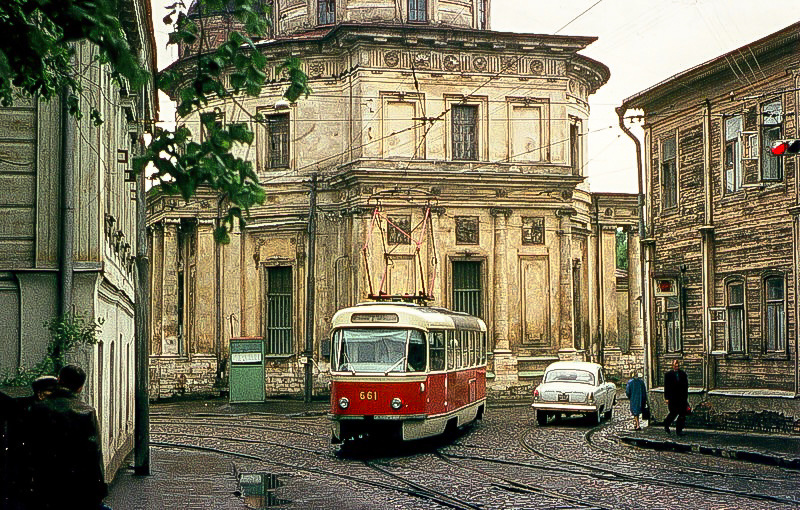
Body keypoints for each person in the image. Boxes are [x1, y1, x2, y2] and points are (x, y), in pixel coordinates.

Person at [25, 364, 108, 510]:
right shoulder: (87, 412)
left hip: (46, 482)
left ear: (58, 380)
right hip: (77, 485)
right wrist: (99, 488)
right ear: (80, 388)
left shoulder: (38, 409)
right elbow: (94, 454)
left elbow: (30, 448)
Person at [663, 358, 689, 436]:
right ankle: (666, 424)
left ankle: (679, 430)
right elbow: (666, 387)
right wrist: (666, 398)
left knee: (682, 414)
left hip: (681, 398)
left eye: (677, 365)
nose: (676, 367)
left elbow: (685, 386)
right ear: (672, 366)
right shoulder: (668, 375)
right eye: (675, 365)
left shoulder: (683, 374)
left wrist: (685, 396)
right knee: (673, 413)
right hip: (672, 398)